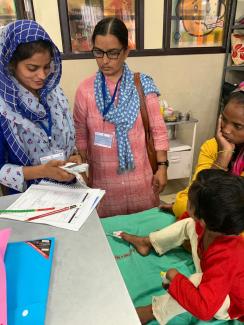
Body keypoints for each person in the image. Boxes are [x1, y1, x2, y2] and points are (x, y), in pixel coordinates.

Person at [120, 169, 244, 324]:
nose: (186, 201)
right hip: (213, 271)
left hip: (226, 301)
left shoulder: (227, 257)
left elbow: (204, 309)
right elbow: (190, 219)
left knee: (196, 282)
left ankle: (152, 311)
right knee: (188, 224)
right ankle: (147, 243)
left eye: (189, 201)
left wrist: (175, 277)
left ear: (203, 219)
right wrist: (173, 209)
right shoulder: (212, 225)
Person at [73, 17, 169, 217]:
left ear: (126, 52)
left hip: (141, 182)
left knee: (144, 231)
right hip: (104, 187)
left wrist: (162, 166)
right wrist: (82, 171)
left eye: (113, 53)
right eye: (98, 52)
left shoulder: (143, 85)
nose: (105, 60)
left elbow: (158, 130)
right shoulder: (85, 90)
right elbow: (80, 134)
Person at [0, 20, 80, 195]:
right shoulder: (4, 108)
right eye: (32, 68)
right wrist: (42, 171)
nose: (42, 76)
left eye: (46, 66)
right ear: (11, 64)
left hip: (68, 192)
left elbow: (64, 138)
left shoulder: (55, 94)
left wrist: (74, 156)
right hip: (29, 200)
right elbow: (1, 170)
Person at [160, 88, 244, 218]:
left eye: (237, 126)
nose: (226, 130)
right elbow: (196, 194)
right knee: (183, 205)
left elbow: (233, 210)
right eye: (224, 120)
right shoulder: (212, 146)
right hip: (216, 215)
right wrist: (223, 156)